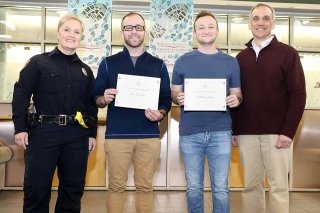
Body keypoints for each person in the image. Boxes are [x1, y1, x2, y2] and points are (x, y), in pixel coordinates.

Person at [12, 14, 98, 213]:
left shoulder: (85, 71)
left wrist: (91, 133)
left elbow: (90, 104)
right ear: (58, 33)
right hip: (43, 133)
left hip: (77, 136)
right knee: (36, 188)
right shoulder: (38, 62)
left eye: (77, 32)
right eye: (67, 29)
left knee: (72, 190)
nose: (71, 35)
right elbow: (21, 93)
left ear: (81, 38)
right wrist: (20, 128)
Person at [92, 12, 171, 213]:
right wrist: (104, 97)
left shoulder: (158, 64)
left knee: (145, 188)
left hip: (149, 136)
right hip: (117, 135)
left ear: (145, 31)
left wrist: (161, 113)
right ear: (122, 32)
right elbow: (96, 97)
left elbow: (165, 99)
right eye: (129, 27)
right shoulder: (108, 63)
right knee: (116, 187)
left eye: (138, 27)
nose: (134, 31)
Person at [231, 3, 306, 213]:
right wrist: (235, 130)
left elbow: (299, 95)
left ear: (273, 23)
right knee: (250, 187)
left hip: (278, 135)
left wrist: (288, 132)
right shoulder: (240, 58)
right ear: (249, 24)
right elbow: (236, 97)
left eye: (265, 18)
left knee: (278, 187)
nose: (260, 23)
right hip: (247, 134)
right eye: (256, 19)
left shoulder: (288, 53)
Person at [171, 11, 242, 213]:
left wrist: (235, 99)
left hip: (220, 132)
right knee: (193, 188)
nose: (206, 30)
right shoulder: (183, 61)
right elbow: (174, 93)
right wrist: (179, 98)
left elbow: (238, 94)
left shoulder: (230, 62)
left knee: (220, 189)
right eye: (201, 27)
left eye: (210, 26)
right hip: (190, 133)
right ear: (194, 33)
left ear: (217, 31)